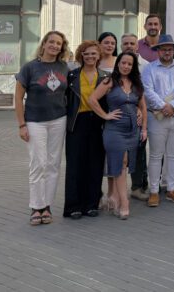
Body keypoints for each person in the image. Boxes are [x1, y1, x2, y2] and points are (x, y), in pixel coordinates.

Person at [14, 30, 70, 226]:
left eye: (59, 44)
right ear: (44, 44)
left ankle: (47, 206)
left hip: (58, 120)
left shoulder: (64, 67)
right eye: (52, 42)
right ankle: (35, 207)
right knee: (38, 163)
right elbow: (18, 98)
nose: (55, 46)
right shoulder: (30, 68)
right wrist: (22, 124)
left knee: (54, 164)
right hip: (35, 121)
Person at [89, 51, 147, 220]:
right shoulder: (109, 81)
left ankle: (116, 198)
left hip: (133, 131)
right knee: (120, 163)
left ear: (133, 66)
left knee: (126, 163)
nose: (126, 66)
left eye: (129, 64)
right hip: (114, 130)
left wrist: (144, 129)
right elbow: (92, 99)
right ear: (118, 64)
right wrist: (105, 115)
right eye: (123, 63)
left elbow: (143, 107)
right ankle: (124, 202)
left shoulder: (137, 84)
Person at [64, 41, 109, 219]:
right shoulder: (72, 76)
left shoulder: (105, 77)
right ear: (80, 56)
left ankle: (92, 204)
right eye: (86, 54)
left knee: (95, 164)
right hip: (77, 122)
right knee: (75, 164)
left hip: (97, 122)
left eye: (93, 54)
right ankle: (73, 206)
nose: (90, 57)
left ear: (99, 56)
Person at [143, 35, 174, 207]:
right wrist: (164, 106)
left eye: (170, 49)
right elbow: (148, 90)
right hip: (157, 116)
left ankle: (171, 189)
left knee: (173, 154)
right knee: (155, 155)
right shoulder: (149, 68)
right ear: (158, 51)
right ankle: (154, 191)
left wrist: (173, 105)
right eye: (163, 49)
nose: (167, 52)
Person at [120, 33, 149, 201]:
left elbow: (145, 91)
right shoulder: (118, 65)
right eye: (126, 43)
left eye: (132, 43)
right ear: (122, 46)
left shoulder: (146, 66)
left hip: (139, 115)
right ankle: (117, 189)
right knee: (120, 155)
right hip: (119, 118)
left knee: (139, 152)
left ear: (137, 46)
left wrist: (139, 108)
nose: (129, 46)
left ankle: (137, 186)